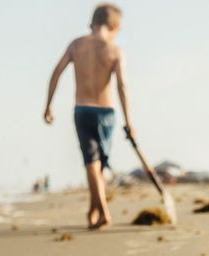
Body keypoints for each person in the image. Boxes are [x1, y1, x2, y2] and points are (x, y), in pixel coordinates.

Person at [43, 4, 135, 229]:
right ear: (114, 26)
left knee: (92, 164)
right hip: (107, 113)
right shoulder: (115, 50)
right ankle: (98, 210)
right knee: (97, 163)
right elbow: (122, 86)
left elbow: (56, 73)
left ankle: (98, 209)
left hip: (83, 110)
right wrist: (129, 121)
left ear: (92, 23)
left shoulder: (77, 45)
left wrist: (48, 106)